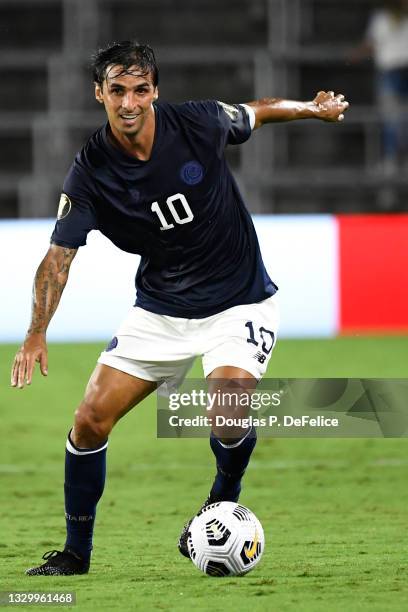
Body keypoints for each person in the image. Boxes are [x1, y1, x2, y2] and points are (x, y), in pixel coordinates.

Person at [11, 41, 348, 576]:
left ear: (155, 92)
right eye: (117, 90)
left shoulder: (196, 123)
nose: (129, 103)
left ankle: (222, 497)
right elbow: (58, 257)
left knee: (229, 406)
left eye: (140, 90)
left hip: (239, 302)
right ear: (99, 93)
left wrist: (313, 108)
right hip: (161, 312)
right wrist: (35, 332)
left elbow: (256, 112)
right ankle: (76, 554)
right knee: (89, 420)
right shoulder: (91, 171)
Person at [351, 0, 408, 172]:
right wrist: (356, 55)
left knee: (402, 118)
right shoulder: (381, 19)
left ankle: (401, 160)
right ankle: (392, 160)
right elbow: (371, 43)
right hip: (390, 72)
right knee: (391, 118)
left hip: (402, 70)